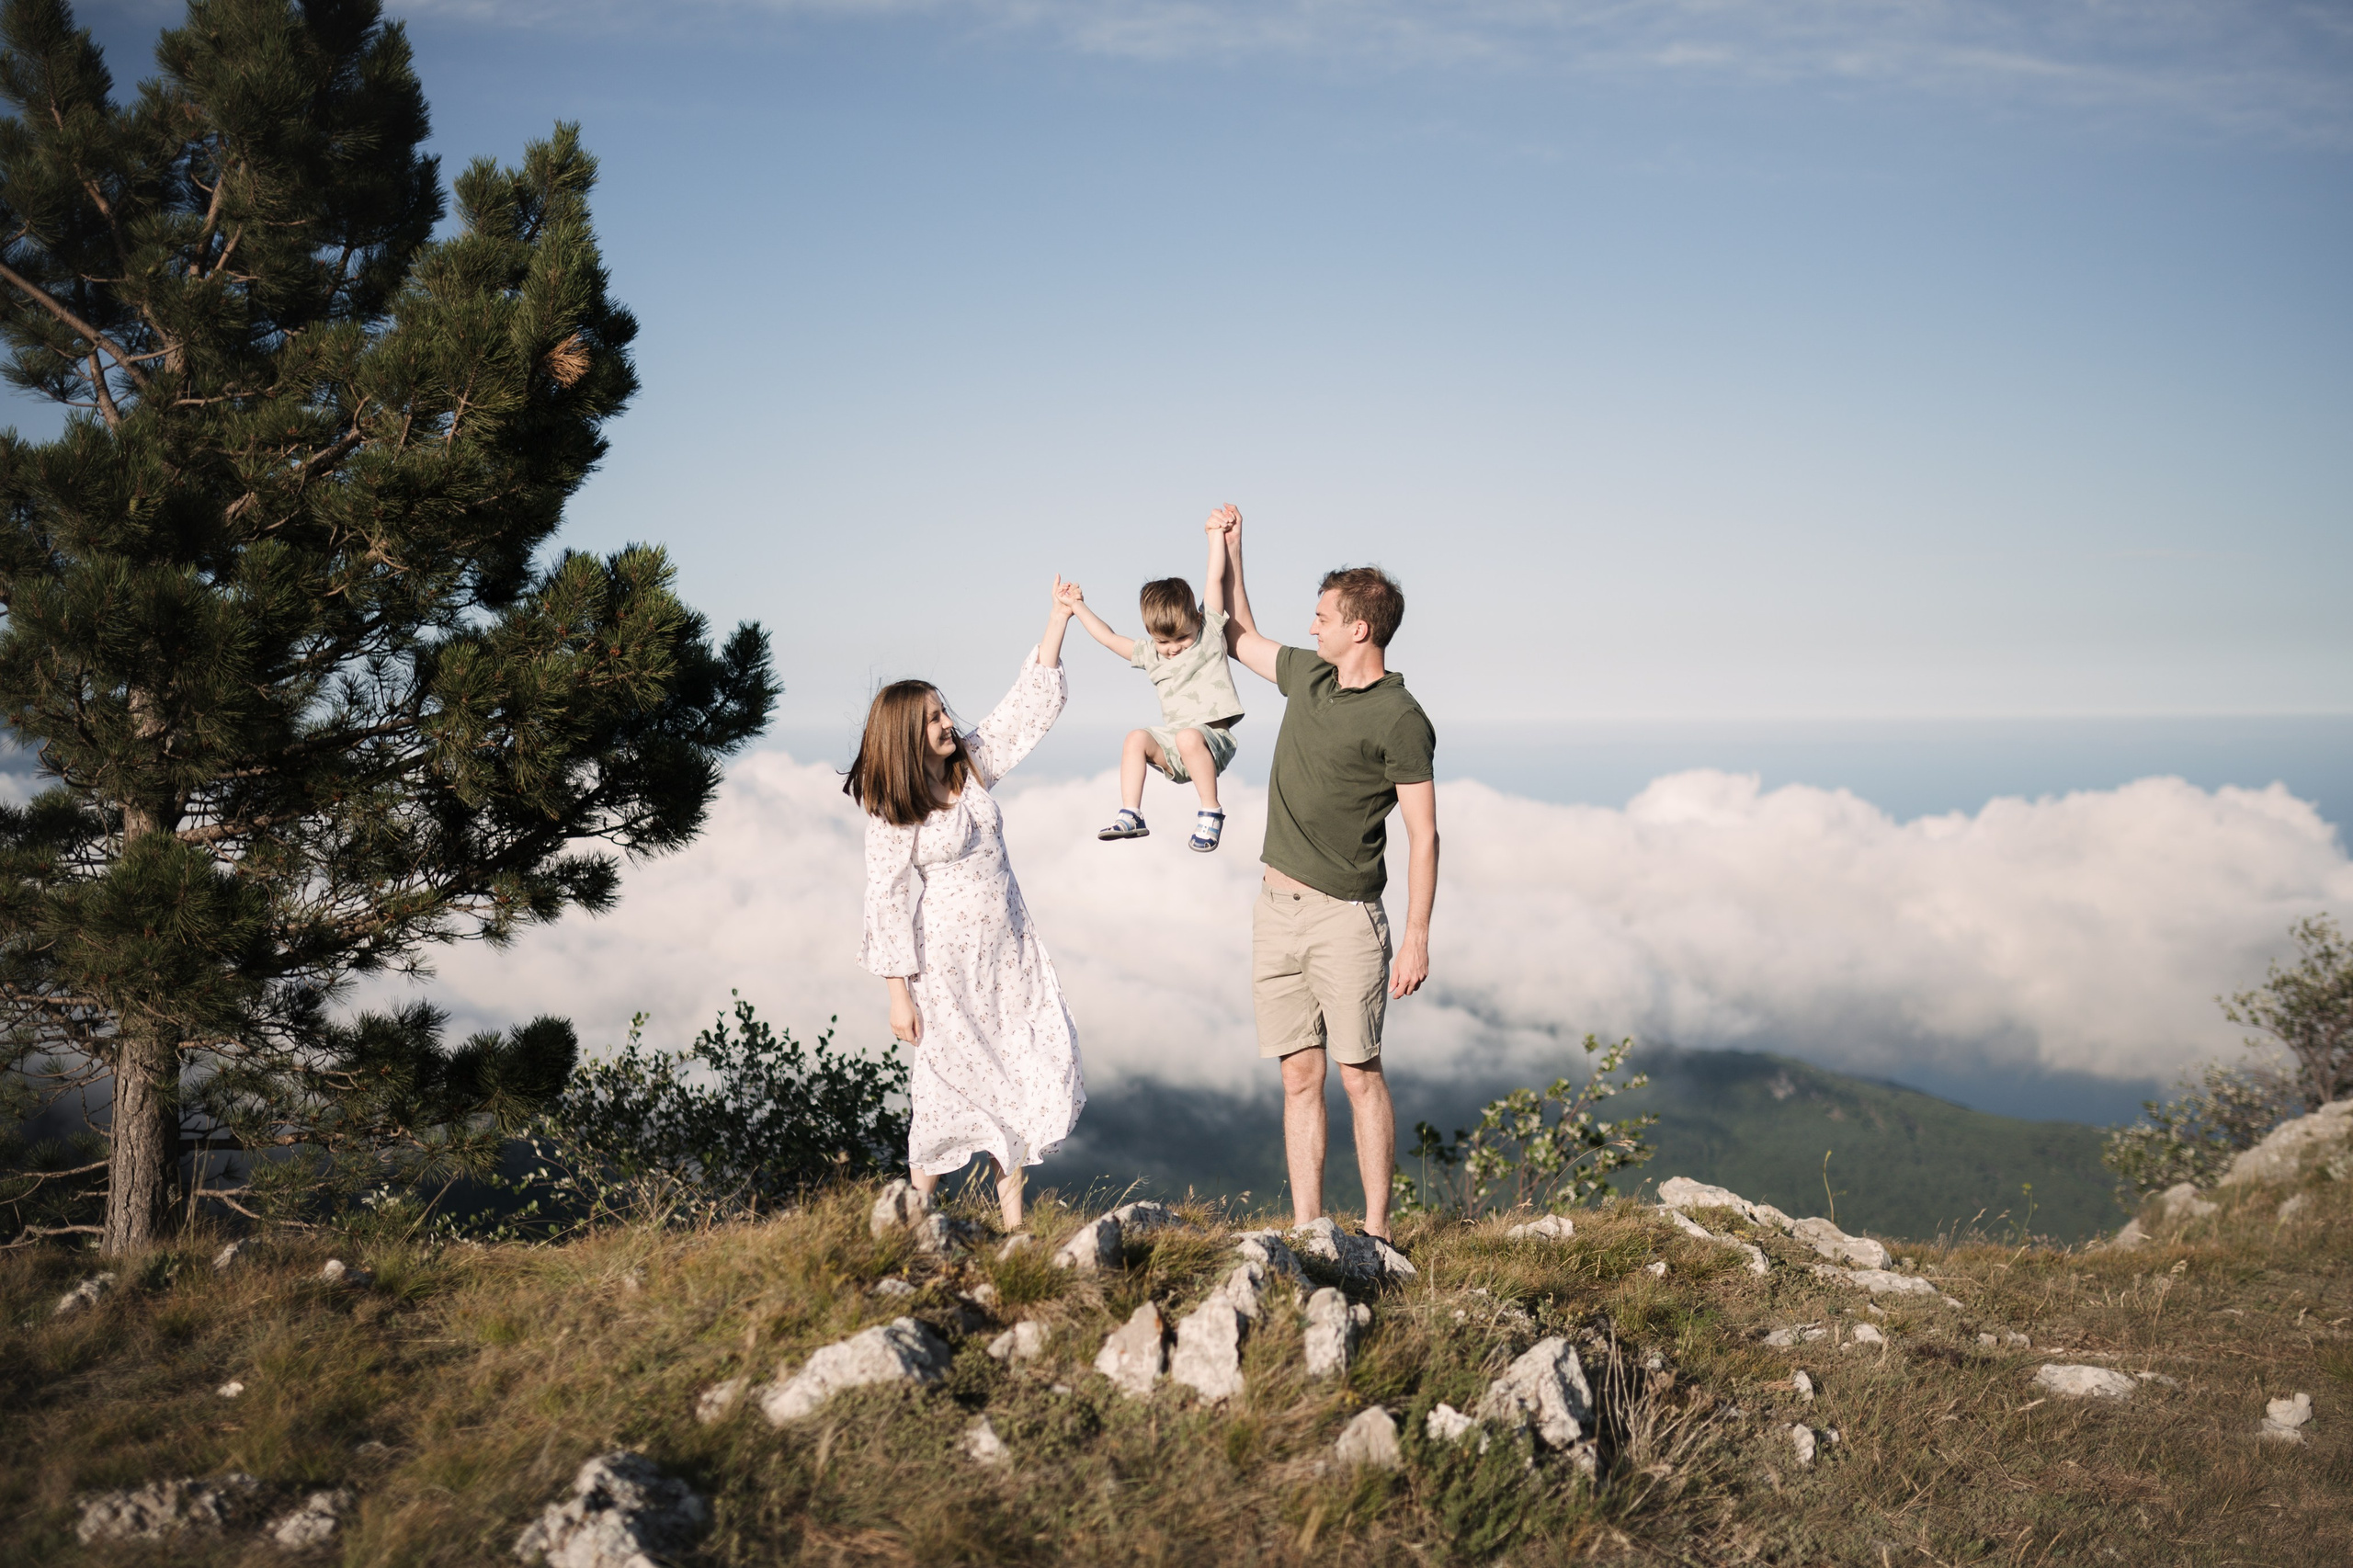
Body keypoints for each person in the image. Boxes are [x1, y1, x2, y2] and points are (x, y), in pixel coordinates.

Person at [1216, 506, 1437, 1244]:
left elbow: (1424, 834)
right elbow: (1235, 635)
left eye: (1322, 618)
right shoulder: (1309, 676)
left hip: (1347, 919)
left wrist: (1416, 937)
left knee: (1358, 1074)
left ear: (1359, 629)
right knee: (1297, 1076)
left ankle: (1376, 1235)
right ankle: (1308, 1229)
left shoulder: (1401, 718)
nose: (1311, 628)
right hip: (1275, 908)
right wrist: (1232, 551)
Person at [845, 579, 1084, 1233]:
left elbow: (1022, 711)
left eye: (943, 711)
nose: (947, 722)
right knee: (943, 1082)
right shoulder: (894, 809)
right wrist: (898, 995)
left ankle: (1015, 1229)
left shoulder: (969, 768)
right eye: (931, 718)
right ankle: (912, 1216)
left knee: (1016, 1069)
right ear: (904, 734)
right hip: (945, 964)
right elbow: (885, 901)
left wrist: (1057, 618)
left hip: (1009, 953)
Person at [1060, 519, 1247, 852]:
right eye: (1163, 641)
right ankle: (1131, 814)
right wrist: (1077, 606)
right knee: (1136, 738)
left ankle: (1211, 812)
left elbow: (1213, 577)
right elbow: (1109, 638)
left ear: (1197, 620)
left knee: (1189, 736)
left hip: (1211, 743)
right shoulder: (1151, 654)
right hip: (1175, 748)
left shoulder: (1208, 631)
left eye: (1181, 638)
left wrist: (1214, 535)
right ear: (1151, 635)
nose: (1172, 648)